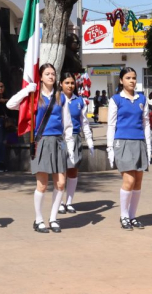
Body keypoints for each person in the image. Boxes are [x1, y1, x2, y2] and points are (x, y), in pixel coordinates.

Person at [7, 63, 74, 233]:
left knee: (60, 183)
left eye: (53, 73)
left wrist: (70, 146)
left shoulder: (61, 97)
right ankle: (38, 219)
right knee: (42, 185)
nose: (51, 76)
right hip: (42, 141)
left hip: (58, 142)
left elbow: (67, 124)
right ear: (41, 77)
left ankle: (53, 218)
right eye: (47, 74)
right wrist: (27, 90)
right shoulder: (33, 97)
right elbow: (10, 104)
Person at [107, 67, 151, 231]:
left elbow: (146, 123)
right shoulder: (116, 100)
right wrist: (110, 149)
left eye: (134, 77)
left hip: (139, 142)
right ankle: (124, 215)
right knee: (129, 180)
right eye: (128, 78)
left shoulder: (142, 99)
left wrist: (148, 146)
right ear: (121, 80)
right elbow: (111, 125)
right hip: (122, 143)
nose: (132, 81)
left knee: (138, 181)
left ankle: (132, 216)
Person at [58, 73, 94, 214]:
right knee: (60, 170)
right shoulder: (56, 100)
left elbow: (84, 122)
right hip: (60, 138)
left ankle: (69, 202)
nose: (70, 85)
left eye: (72, 83)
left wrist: (89, 140)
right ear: (61, 84)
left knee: (72, 170)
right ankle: (59, 202)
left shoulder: (79, 102)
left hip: (75, 138)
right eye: (67, 82)